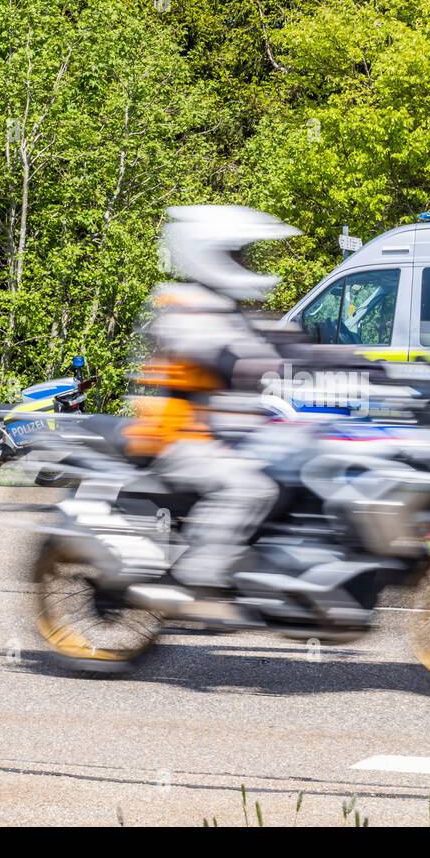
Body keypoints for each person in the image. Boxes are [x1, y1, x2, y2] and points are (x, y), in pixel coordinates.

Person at [124, 205, 299, 590]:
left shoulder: (224, 307)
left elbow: (271, 349)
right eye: (236, 255)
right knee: (251, 488)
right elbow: (221, 356)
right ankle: (198, 576)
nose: (243, 263)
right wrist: (259, 364)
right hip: (180, 436)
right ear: (208, 253)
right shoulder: (180, 304)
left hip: (222, 434)